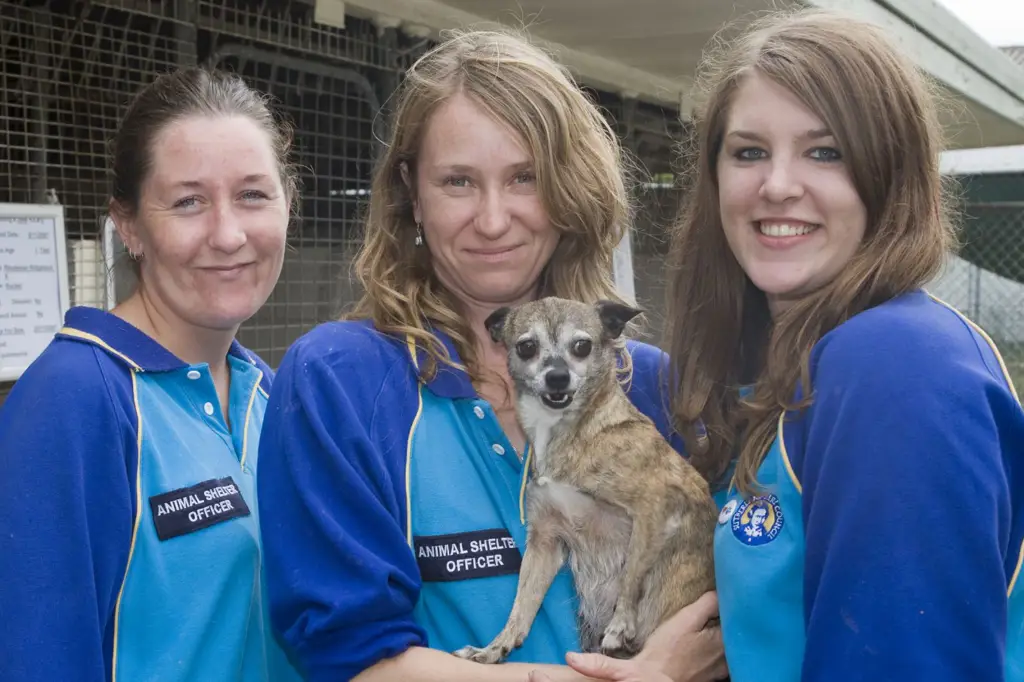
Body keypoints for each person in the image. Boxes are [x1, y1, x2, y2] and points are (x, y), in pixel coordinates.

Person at [256, 29, 728, 682]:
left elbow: (729, 604)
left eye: (524, 178)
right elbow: (351, 657)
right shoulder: (339, 382)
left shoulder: (651, 384)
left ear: (568, 191)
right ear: (411, 193)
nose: (493, 218)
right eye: (458, 182)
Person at [653, 8, 1021, 682]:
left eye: (826, 151)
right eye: (749, 151)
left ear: (889, 176)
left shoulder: (896, 361)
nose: (778, 184)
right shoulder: (783, 367)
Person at [0, 67, 304, 682]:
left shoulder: (272, 399)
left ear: (288, 204)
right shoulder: (74, 399)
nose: (228, 234)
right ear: (130, 226)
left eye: (253, 194)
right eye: (188, 201)